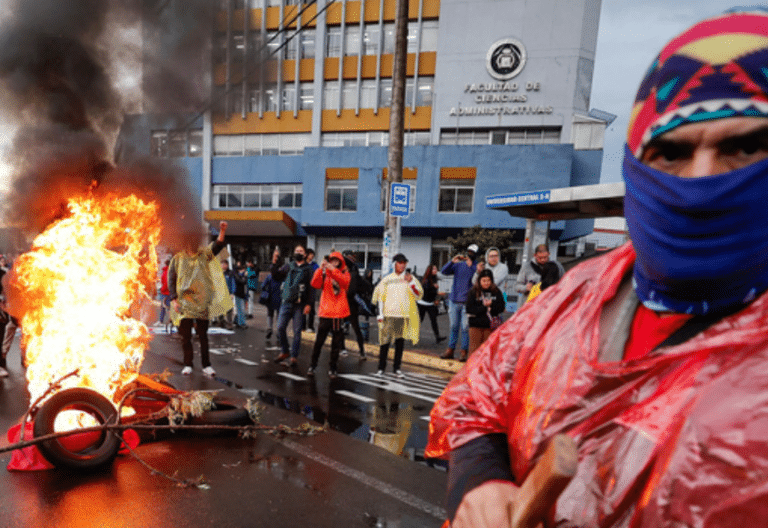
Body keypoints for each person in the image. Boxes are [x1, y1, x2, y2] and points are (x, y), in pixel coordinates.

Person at [426, 10, 768, 527]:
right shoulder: (580, 294)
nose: (700, 183)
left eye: (743, 147)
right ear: (635, 164)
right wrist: (480, 481)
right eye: (670, 152)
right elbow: (476, 397)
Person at [168, 221, 229, 377]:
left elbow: (218, 245)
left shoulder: (204, 254)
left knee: (203, 336)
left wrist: (222, 230)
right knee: (185, 337)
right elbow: (171, 279)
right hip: (184, 303)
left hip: (202, 302)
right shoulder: (178, 258)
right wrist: (174, 300)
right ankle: (187, 364)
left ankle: (206, 365)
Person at [371, 253, 423, 378]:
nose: (402, 265)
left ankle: (396, 368)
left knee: (400, 343)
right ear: (395, 264)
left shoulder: (411, 278)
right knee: (385, 343)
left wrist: (411, 283)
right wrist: (380, 313)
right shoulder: (387, 279)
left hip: (402, 315)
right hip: (388, 315)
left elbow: (418, 295)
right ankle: (381, 368)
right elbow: (380, 297)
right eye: (400, 262)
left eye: (404, 263)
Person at [307, 252, 350, 379]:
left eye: (337, 261)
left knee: (336, 344)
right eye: (333, 260)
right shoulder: (325, 273)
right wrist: (321, 269)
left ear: (340, 262)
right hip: (326, 312)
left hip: (338, 313)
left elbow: (345, 283)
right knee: (319, 341)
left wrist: (334, 271)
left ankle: (333, 368)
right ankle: (312, 365)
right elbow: (314, 284)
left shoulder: (344, 272)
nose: (334, 263)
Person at [271, 244, 313, 366]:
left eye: (300, 251)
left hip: (300, 304)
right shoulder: (289, 266)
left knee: (297, 331)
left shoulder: (308, 269)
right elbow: (276, 276)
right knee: (280, 328)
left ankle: (294, 356)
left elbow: (311, 288)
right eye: (296, 251)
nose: (298, 253)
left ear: (305, 254)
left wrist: (309, 304)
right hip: (286, 302)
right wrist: (274, 262)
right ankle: (285, 351)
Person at [439, 244, 479, 360]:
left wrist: (472, 267)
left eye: (472, 252)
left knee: (465, 328)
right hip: (454, 300)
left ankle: (463, 352)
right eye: (469, 251)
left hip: (468, 302)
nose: (470, 254)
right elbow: (444, 271)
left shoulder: (477, 267)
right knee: (454, 327)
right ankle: (450, 350)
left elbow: (477, 280)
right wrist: (452, 261)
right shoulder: (459, 265)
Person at [464, 269, 505, 359]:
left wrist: (492, 305)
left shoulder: (496, 291)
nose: (486, 283)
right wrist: (484, 307)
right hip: (475, 325)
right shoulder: (474, 292)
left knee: (488, 352)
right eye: (484, 281)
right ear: (479, 281)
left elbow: (501, 307)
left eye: (488, 280)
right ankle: (472, 372)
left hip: (490, 326)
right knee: (474, 351)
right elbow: (469, 309)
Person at [341, 249, 366, 358]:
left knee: (352, 328)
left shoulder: (352, 274)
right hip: (346, 304)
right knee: (344, 328)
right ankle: (360, 351)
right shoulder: (349, 273)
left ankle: (360, 351)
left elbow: (354, 289)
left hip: (348, 304)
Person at [417, 264, 445, 345]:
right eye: (433, 269)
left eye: (436, 269)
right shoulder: (425, 279)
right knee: (419, 320)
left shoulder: (435, 278)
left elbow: (434, 293)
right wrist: (435, 289)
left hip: (430, 304)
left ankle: (438, 337)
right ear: (429, 271)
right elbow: (426, 291)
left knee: (434, 320)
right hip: (422, 303)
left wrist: (437, 298)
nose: (435, 270)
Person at [259, 271, 283, 339]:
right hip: (280, 298)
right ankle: (278, 331)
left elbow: (263, 286)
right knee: (279, 314)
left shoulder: (270, 276)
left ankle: (269, 328)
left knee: (270, 314)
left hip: (270, 298)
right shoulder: (282, 277)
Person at [217, 260, 236, 329]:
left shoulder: (230, 273)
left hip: (228, 293)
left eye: (225, 264)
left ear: (227, 265)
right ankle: (221, 322)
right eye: (222, 264)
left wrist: (232, 293)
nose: (223, 266)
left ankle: (229, 323)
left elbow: (233, 283)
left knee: (229, 309)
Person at [305, 248, 319, 333]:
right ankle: (302, 325)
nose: (312, 256)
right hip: (303, 289)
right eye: (310, 254)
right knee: (302, 308)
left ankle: (310, 326)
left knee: (312, 308)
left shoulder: (315, 265)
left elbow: (318, 273)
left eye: (313, 254)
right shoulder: (303, 264)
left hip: (312, 289)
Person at [233, 262, 248, 329]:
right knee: (240, 309)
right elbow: (242, 281)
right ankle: (241, 323)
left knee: (241, 309)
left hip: (242, 294)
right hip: (238, 294)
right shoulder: (236, 275)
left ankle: (241, 322)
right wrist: (244, 276)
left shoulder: (240, 275)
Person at [157, 259, 171, 326]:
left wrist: (162, 289)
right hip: (167, 292)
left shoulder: (167, 271)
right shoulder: (167, 271)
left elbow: (166, 283)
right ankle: (162, 321)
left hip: (166, 293)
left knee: (167, 308)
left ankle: (168, 321)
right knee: (166, 307)